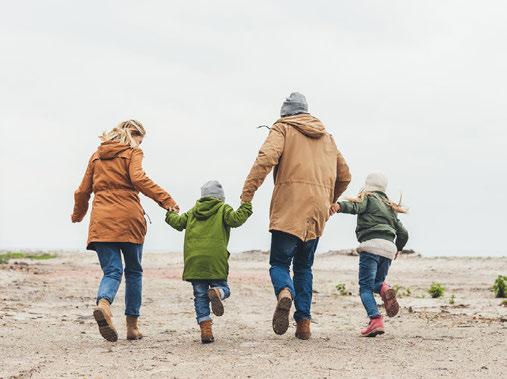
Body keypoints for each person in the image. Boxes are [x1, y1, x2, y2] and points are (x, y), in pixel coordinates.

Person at [241, 92, 351, 339]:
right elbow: (345, 175)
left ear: (285, 113)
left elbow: (265, 160)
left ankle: (284, 292)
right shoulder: (327, 138)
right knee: (304, 268)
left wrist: (247, 194)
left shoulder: (282, 129)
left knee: (279, 263)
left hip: (289, 207)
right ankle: (303, 324)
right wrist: (329, 200)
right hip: (317, 212)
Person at [71, 120, 179, 342]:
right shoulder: (132, 153)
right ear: (135, 135)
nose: (140, 143)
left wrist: (78, 214)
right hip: (129, 221)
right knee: (133, 272)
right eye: (141, 139)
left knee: (112, 271)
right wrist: (166, 200)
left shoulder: (96, 156)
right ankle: (132, 327)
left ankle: (103, 303)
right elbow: (139, 179)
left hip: (102, 222)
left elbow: (83, 191)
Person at [165, 180, 252, 343]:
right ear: (220, 198)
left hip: (195, 261)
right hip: (215, 261)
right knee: (224, 287)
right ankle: (218, 292)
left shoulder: (192, 212)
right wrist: (246, 205)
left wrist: (171, 212)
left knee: (200, 295)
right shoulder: (223, 209)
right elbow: (236, 220)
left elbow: (177, 223)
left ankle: (206, 329)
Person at [330, 172, 409, 337]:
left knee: (365, 288)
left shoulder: (368, 198)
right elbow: (403, 232)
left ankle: (376, 320)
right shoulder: (389, 207)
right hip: (388, 249)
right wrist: (398, 248)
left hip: (371, 246)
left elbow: (355, 207)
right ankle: (385, 288)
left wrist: (339, 206)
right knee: (377, 282)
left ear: (368, 186)